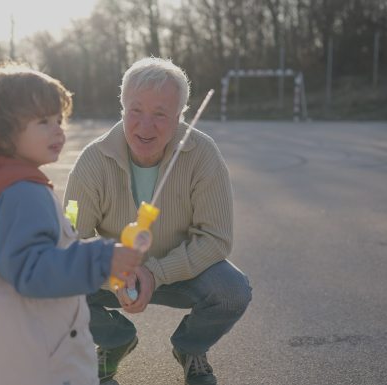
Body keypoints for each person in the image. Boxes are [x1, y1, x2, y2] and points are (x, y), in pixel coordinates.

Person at [0, 63, 144, 385]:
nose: (58, 130)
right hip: (38, 362)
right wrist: (104, 259)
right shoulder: (23, 192)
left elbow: (28, 255)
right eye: (43, 122)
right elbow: (31, 270)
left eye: (59, 120)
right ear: (2, 130)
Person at [63, 57, 252, 385]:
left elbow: (216, 238)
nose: (145, 127)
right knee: (55, 284)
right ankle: (113, 340)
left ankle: (190, 348)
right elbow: (70, 240)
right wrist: (115, 272)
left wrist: (156, 273)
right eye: (135, 110)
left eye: (161, 114)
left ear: (179, 116)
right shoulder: (92, 161)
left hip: (184, 272)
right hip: (116, 275)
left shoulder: (203, 154)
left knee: (233, 291)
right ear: (122, 108)